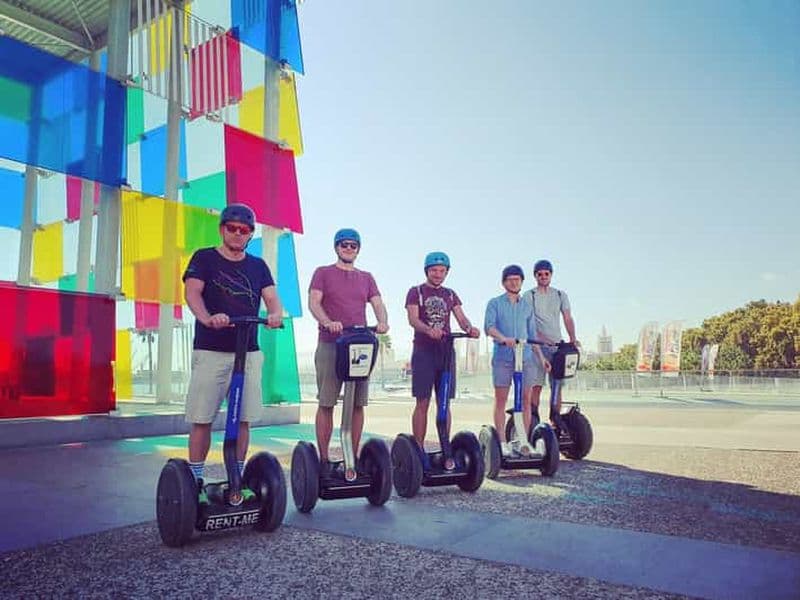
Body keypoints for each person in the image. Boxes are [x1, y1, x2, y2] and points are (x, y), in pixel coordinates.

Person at [182, 204, 283, 503]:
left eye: (244, 230)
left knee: (243, 419)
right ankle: (196, 483)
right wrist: (207, 318)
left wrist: (275, 314)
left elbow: (272, 298)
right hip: (212, 350)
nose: (238, 234)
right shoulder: (204, 258)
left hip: (248, 351)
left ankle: (236, 480)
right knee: (202, 418)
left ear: (250, 234)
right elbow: (192, 293)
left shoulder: (258, 265)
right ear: (222, 229)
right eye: (232, 228)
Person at [308, 228, 389, 474]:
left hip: (359, 345)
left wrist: (382, 321)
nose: (349, 249)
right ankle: (323, 460)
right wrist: (326, 321)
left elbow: (378, 303)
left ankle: (351, 457)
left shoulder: (366, 277)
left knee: (357, 404)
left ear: (358, 249)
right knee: (327, 402)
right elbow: (314, 302)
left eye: (353, 245)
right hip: (331, 343)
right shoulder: (323, 273)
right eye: (344, 245)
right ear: (336, 247)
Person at [405, 252, 480, 457]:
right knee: (422, 401)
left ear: (446, 272)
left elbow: (461, 318)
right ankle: (418, 451)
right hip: (423, 352)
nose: (438, 274)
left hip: (446, 352)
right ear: (427, 271)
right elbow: (413, 319)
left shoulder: (450, 294)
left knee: (444, 402)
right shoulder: (416, 292)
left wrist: (470, 328)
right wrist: (429, 330)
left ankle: (445, 449)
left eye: (442, 271)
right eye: (434, 270)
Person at [484, 265, 550, 454]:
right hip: (503, 357)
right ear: (504, 282)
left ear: (521, 282)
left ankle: (523, 441)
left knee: (525, 399)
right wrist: (503, 338)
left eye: (517, 279)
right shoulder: (495, 303)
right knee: (501, 400)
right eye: (510, 279)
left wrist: (541, 357)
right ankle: (503, 444)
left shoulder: (526, 306)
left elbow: (532, 335)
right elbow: (489, 327)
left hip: (526, 357)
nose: (514, 282)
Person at [525, 259, 579, 429]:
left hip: (558, 348)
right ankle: (533, 419)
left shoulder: (560, 295)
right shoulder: (529, 296)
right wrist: (542, 339)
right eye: (539, 274)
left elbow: (567, 318)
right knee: (537, 385)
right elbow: (529, 324)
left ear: (551, 275)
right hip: (537, 347)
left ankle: (555, 419)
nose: (543, 277)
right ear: (535, 276)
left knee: (557, 386)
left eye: (546, 274)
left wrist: (573, 338)